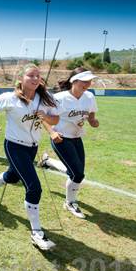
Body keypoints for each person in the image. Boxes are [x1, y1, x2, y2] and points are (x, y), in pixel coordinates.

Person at [0, 64, 60, 250]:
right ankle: (37, 233)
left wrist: (46, 118)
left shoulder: (44, 98)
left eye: (38, 76)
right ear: (20, 79)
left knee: (13, 176)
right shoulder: (10, 98)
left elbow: (55, 119)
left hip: (32, 148)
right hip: (14, 146)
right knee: (34, 187)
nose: (35, 79)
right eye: (30, 75)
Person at [50, 67, 100, 219]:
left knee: (76, 172)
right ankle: (70, 202)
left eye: (89, 81)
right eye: (84, 81)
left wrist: (92, 121)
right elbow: (45, 116)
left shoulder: (89, 97)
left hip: (77, 138)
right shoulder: (59, 98)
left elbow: (91, 114)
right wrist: (52, 132)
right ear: (74, 81)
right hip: (61, 138)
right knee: (77, 173)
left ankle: (48, 162)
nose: (88, 84)